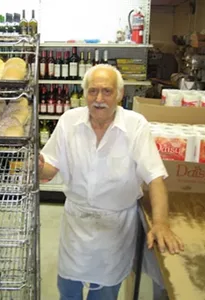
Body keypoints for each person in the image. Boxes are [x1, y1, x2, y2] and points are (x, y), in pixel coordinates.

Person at [39, 64, 184, 300]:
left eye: (107, 91)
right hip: (77, 223)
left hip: (116, 228)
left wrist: (160, 223)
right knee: (68, 289)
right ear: (84, 93)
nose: (99, 99)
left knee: (105, 293)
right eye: (92, 91)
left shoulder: (135, 125)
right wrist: (37, 166)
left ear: (119, 94)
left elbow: (155, 177)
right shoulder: (69, 121)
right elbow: (50, 168)